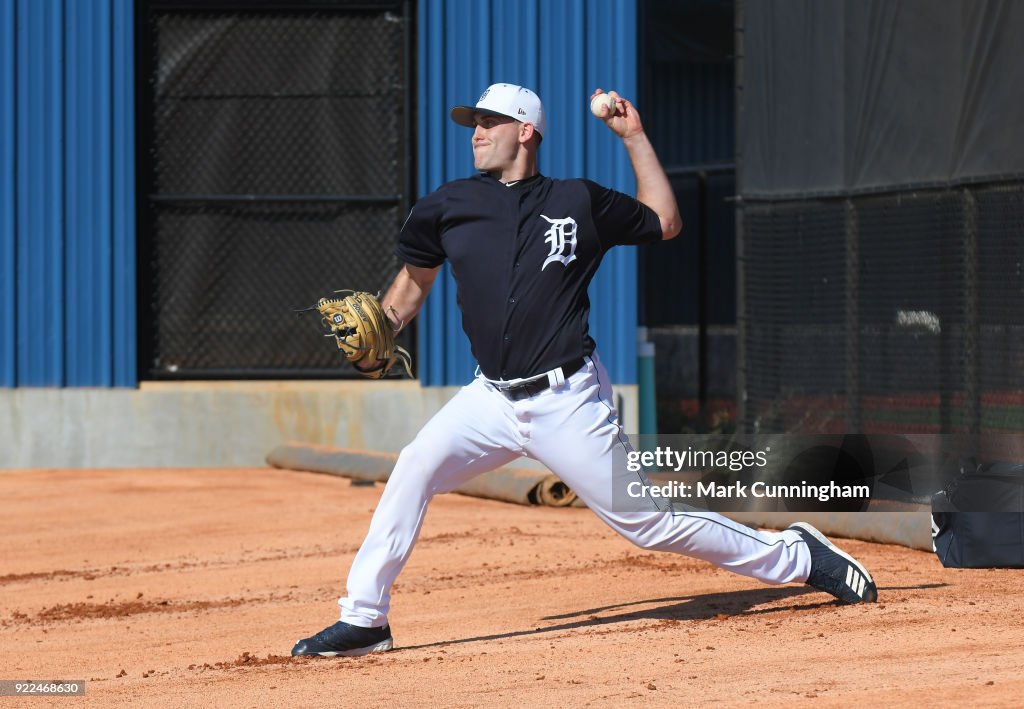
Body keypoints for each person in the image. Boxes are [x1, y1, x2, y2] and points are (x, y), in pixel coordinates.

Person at [291, 83, 877, 657]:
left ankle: (798, 555)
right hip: (489, 398)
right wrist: (381, 332)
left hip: (568, 396)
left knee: (646, 523)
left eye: (489, 121)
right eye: (473, 122)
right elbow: (412, 285)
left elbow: (665, 221)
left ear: (526, 131)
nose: (476, 132)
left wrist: (635, 137)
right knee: (414, 466)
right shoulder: (448, 205)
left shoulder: (577, 200)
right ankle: (365, 619)